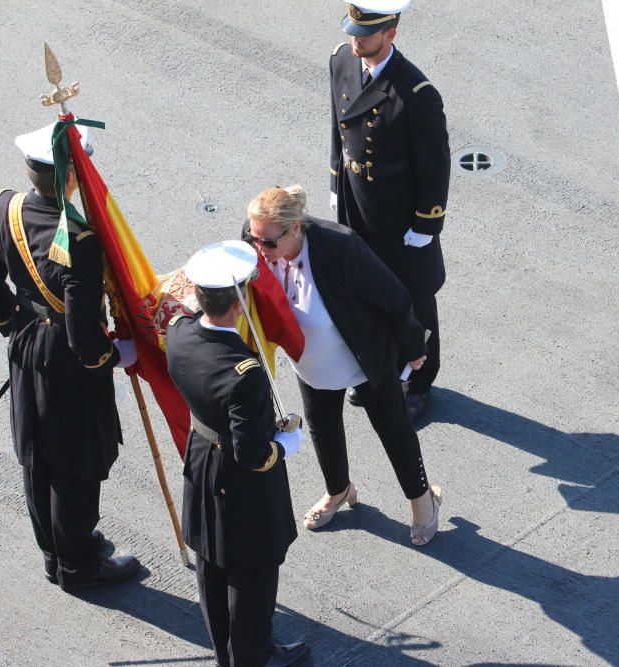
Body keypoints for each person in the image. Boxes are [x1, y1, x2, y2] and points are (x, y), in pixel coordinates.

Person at [0, 122, 142, 592]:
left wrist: (16, 326)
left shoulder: (2, 206)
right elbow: (85, 337)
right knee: (74, 462)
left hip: (26, 344)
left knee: (37, 455)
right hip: (67, 358)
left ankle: (54, 552)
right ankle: (78, 565)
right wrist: (115, 355)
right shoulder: (80, 241)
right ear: (71, 177)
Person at [245, 185, 443, 546]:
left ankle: (423, 500)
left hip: (362, 357)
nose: (259, 250)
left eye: (268, 243)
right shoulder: (259, 244)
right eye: (253, 238)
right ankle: (339, 490)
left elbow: (394, 298)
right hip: (309, 362)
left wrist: (413, 347)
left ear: (296, 229)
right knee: (323, 428)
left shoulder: (340, 247)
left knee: (393, 429)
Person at [166, 240, 309, 667]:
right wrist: (286, 443)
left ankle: (226, 655)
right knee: (253, 573)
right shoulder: (244, 372)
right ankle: (253, 658)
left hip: (201, 459)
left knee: (211, 564)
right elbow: (252, 454)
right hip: (238, 477)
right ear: (240, 299)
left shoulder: (177, 333)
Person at [329, 0, 451, 421]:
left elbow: (435, 164)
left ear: (391, 35)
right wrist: (335, 183)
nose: (354, 40)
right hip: (357, 202)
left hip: (399, 215)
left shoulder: (416, 93)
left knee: (413, 297)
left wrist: (426, 223)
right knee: (362, 291)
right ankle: (378, 367)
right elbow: (338, 127)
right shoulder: (341, 61)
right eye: (353, 32)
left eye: (364, 35)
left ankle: (419, 381)